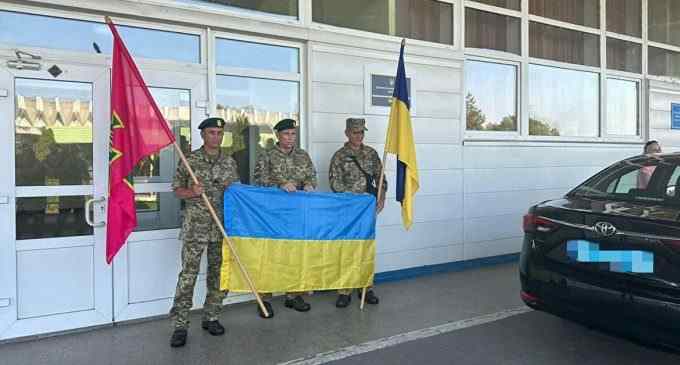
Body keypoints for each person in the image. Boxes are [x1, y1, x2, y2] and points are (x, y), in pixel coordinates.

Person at [169, 117, 240, 347]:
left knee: (218, 275)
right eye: (211, 133)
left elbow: (237, 194)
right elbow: (176, 190)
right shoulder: (190, 160)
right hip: (196, 228)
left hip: (220, 227)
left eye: (220, 133)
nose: (216, 137)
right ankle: (180, 324)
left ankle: (211, 316)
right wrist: (192, 191)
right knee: (188, 276)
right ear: (203, 135)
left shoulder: (229, 162)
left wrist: (233, 189)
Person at [252, 118, 317, 317]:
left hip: (296, 215)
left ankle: (293, 295)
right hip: (272, 215)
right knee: (269, 256)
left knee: (295, 254)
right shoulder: (267, 156)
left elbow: (312, 176)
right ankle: (264, 299)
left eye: (293, 134)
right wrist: (279, 184)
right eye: (286, 134)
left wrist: (309, 184)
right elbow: (258, 182)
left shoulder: (302, 155)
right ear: (278, 135)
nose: (290, 138)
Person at [328, 117, 386, 308]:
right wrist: (354, 198)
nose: (359, 136)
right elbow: (334, 183)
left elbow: (381, 178)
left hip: (367, 210)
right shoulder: (339, 156)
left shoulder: (371, 154)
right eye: (355, 132)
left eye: (361, 132)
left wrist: (381, 196)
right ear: (347, 133)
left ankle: (365, 288)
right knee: (347, 249)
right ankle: (344, 290)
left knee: (365, 248)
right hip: (348, 210)